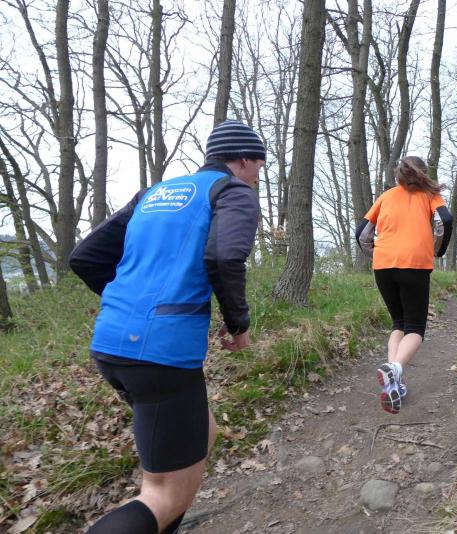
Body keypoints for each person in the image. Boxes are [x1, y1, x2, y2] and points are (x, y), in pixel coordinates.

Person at [69, 120, 264, 534]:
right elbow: (225, 257)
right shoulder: (232, 192)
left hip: (111, 344)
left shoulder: (154, 194)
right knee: (163, 494)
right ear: (245, 161)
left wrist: (131, 305)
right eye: (258, 168)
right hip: (161, 354)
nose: (257, 178)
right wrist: (239, 325)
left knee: (203, 434)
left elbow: (84, 257)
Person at [355, 156, 452, 414]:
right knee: (415, 328)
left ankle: (393, 383)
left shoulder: (386, 196)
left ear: (399, 176)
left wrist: (377, 254)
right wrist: (438, 249)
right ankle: (395, 369)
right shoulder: (430, 196)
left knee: (398, 323)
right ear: (424, 174)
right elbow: (444, 220)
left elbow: (362, 233)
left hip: (383, 266)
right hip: (414, 265)